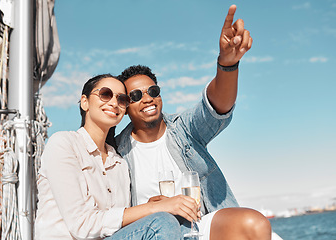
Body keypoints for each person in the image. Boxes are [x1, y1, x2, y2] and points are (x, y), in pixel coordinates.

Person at [115, 5, 272, 240]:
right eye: (136, 96)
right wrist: (151, 209)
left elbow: (217, 106)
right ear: (125, 107)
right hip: (154, 232)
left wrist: (227, 64)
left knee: (255, 224)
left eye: (153, 91)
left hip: (199, 225)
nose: (147, 98)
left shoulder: (184, 129)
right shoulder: (116, 152)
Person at [35, 74, 200, 239]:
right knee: (163, 222)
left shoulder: (120, 163)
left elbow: (118, 224)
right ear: (85, 102)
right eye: (105, 94)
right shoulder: (63, 144)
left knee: (183, 225)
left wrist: (149, 208)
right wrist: (153, 210)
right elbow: (82, 225)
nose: (114, 103)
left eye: (122, 99)